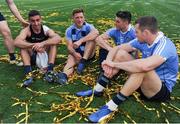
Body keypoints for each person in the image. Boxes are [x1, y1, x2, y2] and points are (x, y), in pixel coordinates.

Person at [77, 16, 179, 122]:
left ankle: (110, 107)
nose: (134, 34)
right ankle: (98, 89)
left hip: (159, 90)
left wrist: (114, 65)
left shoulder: (165, 45)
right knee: (121, 54)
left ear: (146, 33)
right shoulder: (143, 40)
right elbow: (117, 48)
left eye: (137, 32)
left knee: (142, 68)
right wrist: (108, 62)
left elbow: (144, 66)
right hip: (141, 82)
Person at [14, 10, 61, 87]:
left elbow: (58, 38)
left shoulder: (45, 29)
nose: (36, 23)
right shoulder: (26, 30)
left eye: (37, 20)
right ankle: (28, 74)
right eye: (32, 21)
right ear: (29, 21)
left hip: (45, 55)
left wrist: (42, 44)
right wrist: (34, 45)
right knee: (23, 48)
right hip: (33, 56)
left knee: (53, 43)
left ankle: (50, 70)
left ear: (41, 19)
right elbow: (16, 42)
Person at [57, 8, 99, 84]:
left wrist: (80, 41)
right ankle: (64, 75)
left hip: (88, 53)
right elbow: (69, 47)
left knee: (92, 38)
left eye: (81, 17)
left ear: (84, 18)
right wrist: (74, 54)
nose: (79, 20)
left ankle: (83, 61)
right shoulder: (69, 30)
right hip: (77, 54)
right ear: (73, 18)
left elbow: (96, 33)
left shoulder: (89, 27)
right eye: (77, 18)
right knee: (70, 60)